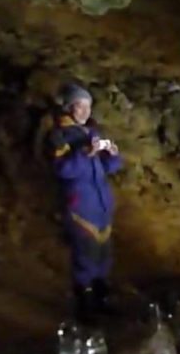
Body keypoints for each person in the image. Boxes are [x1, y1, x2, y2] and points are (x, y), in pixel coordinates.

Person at [47, 83, 123, 324]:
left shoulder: (91, 133)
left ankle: (102, 301)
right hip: (80, 205)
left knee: (103, 254)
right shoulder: (58, 136)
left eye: (88, 106)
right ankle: (85, 308)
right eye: (80, 106)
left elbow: (107, 168)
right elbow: (63, 169)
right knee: (85, 256)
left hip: (101, 204)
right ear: (69, 107)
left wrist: (112, 155)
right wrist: (84, 154)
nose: (85, 111)